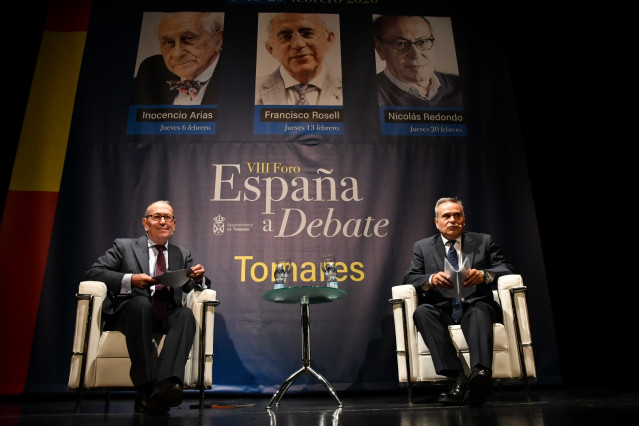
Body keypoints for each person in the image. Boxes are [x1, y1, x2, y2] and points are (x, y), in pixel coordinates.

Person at [83, 200, 211, 415]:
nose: (162, 222)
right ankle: (144, 385)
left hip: (165, 312)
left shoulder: (181, 254)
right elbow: (94, 272)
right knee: (142, 304)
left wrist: (199, 279)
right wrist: (131, 279)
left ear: (174, 224)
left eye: (167, 217)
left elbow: (189, 284)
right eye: (156, 217)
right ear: (145, 223)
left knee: (185, 314)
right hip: (131, 311)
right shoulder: (124, 246)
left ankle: (167, 385)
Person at [402, 197, 514, 406]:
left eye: (457, 215)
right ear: (437, 222)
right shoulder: (423, 247)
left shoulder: (483, 241)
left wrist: (484, 275)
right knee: (422, 312)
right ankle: (457, 378)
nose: (452, 220)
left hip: (474, 303)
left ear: (464, 219)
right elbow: (409, 278)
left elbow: (506, 268)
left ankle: (480, 374)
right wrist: (431, 279)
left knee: (480, 310)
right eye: (446, 216)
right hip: (442, 307)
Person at [131, 12, 224, 105]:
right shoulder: (151, 70)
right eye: (168, 42)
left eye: (189, 38)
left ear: (217, 41)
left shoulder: (233, 77)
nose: (177, 53)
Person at [373, 15, 462, 107]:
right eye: (401, 43)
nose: (416, 55)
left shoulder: (460, 86)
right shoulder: (369, 93)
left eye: (423, 41)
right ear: (380, 50)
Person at [255, 13, 343, 106]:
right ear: (270, 48)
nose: (298, 44)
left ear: (329, 39)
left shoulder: (349, 90)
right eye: (285, 37)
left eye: (307, 34)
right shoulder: (253, 90)